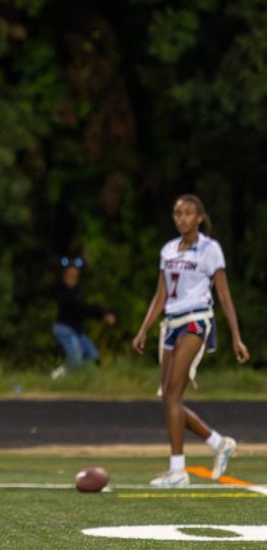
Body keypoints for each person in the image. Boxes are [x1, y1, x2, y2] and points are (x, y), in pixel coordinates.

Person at [132, 194, 250, 487]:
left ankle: (178, 472)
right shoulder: (169, 249)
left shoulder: (209, 249)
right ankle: (218, 443)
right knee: (169, 399)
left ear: (199, 217)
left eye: (188, 213)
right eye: (177, 213)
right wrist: (144, 329)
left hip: (196, 321)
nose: (182, 218)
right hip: (171, 323)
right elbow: (161, 294)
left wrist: (236, 336)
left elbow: (224, 295)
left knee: (172, 395)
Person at [49, 253, 115, 379]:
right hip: (64, 328)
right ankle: (55, 377)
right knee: (76, 358)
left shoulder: (77, 291)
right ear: (64, 275)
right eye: (71, 275)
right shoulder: (63, 290)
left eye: (76, 275)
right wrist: (101, 314)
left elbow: (85, 308)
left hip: (76, 330)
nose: (73, 277)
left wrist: (104, 313)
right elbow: (81, 308)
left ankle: (83, 379)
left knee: (93, 355)